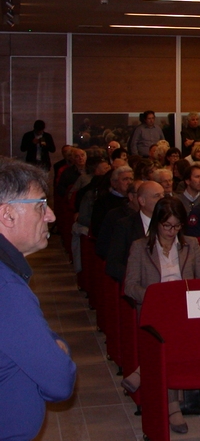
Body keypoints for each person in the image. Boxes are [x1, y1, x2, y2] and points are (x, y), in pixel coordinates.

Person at [0, 158, 77, 440]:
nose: (51, 216)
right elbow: (59, 382)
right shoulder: (5, 287)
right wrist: (58, 348)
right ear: (7, 214)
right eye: (40, 206)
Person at [122, 196, 200, 434]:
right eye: (167, 226)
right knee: (168, 330)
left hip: (186, 309)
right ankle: (173, 406)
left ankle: (142, 372)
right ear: (156, 223)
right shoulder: (140, 247)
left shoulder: (191, 245)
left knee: (173, 333)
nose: (172, 232)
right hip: (154, 309)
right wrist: (156, 297)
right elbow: (129, 287)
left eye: (177, 226)